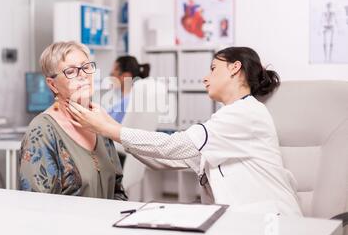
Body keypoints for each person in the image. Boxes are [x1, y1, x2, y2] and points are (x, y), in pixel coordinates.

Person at [67, 47, 303, 216]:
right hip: (241, 221)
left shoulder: (245, 114)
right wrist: (110, 128)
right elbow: (166, 161)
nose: (204, 77)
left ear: (235, 68)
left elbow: (174, 146)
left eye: (213, 68)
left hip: (268, 222)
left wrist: (110, 129)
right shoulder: (228, 119)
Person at [19, 41, 127, 200]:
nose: (83, 75)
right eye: (71, 71)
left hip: (107, 223)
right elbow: (38, 207)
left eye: (86, 67)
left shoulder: (98, 121)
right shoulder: (42, 131)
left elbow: (117, 191)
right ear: (52, 84)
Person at [108, 56, 151, 123]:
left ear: (125, 76)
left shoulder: (126, 103)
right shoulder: (135, 98)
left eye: (113, 74)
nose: (111, 77)